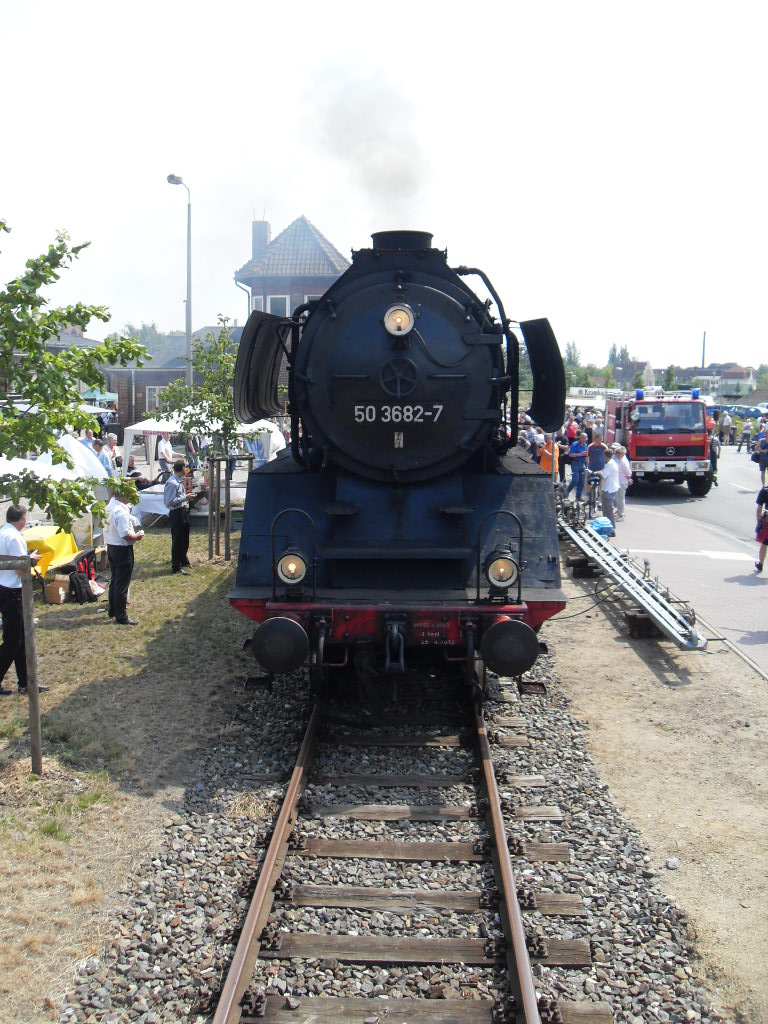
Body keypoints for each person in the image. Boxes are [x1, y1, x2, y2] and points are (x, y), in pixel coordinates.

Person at [0, 505, 47, 695]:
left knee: (20, 638)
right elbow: (20, 569)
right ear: (22, 520)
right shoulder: (15, 537)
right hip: (13, 591)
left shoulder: (3, 532)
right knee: (13, 641)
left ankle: (25, 682)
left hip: (3, 587)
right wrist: (31, 560)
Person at [104, 491, 144, 625]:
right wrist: (137, 536)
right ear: (122, 495)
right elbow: (125, 534)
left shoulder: (109, 507)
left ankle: (113, 610)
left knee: (115, 580)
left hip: (112, 547)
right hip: (121, 548)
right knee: (121, 583)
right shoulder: (120, 512)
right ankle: (121, 616)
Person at [164, 460, 191, 575]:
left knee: (185, 538)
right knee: (177, 540)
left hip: (183, 511)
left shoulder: (179, 481)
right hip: (177, 513)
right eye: (185, 467)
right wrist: (185, 497)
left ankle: (183, 560)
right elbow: (169, 502)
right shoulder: (172, 483)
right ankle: (176, 566)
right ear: (182, 468)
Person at [599, 448, 621, 528]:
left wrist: (598, 473)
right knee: (606, 508)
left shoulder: (609, 465)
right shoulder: (611, 463)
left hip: (609, 489)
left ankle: (611, 527)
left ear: (605, 455)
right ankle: (607, 526)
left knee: (608, 509)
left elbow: (604, 476)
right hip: (610, 488)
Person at [566, 432, 588, 501]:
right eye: (584, 438)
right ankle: (566, 492)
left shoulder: (586, 445)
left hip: (583, 464)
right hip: (576, 463)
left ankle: (578, 496)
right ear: (580, 438)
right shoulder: (575, 444)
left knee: (582, 481)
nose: (585, 439)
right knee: (575, 480)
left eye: (586, 438)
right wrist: (581, 454)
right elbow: (570, 454)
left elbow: (586, 454)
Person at [614, 444, 633, 519]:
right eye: (617, 452)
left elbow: (628, 472)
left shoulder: (624, 461)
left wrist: (629, 479)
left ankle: (621, 514)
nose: (618, 454)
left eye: (619, 453)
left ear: (623, 453)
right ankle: (619, 511)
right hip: (616, 481)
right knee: (616, 498)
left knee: (620, 499)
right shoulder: (615, 458)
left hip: (622, 482)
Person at [755, 485, 768, 572]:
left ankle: (760, 563)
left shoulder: (764, 491)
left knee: (765, 543)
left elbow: (759, 509)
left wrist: (759, 522)